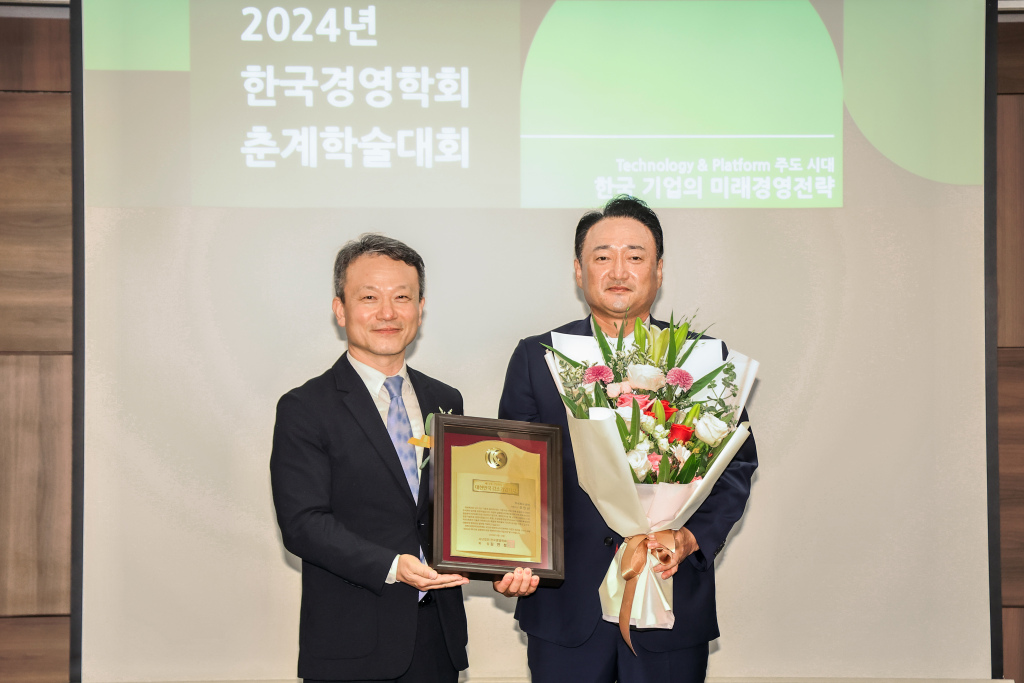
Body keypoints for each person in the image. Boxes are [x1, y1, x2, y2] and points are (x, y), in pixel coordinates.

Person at [495, 195, 758, 683]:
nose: (619, 270)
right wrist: (509, 558)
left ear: (659, 270)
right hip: (565, 608)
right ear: (579, 271)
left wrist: (690, 538)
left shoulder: (702, 360)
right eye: (602, 256)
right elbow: (514, 476)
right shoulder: (539, 357)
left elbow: (736, 467)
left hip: (669, 594)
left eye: (635, 256)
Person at [270, 234, 469, 683]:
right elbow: (303, 524)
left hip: (437, 641)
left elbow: (459, 508)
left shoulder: (445, 399)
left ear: (420, 308)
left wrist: (503, 563)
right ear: (340, 310)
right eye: (369, 297)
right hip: (351, 644)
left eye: (402, 297)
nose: (387, 313)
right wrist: (394, 566)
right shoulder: (305, 407)